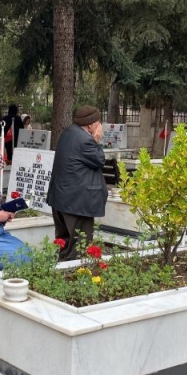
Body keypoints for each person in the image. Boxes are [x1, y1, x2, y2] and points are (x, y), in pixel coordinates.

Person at [46, 105, 107, 261]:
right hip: (77, 203)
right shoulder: (85, 140)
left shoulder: (68, 132)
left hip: (62, 199)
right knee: (79, 247)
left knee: (64, 243)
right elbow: (99, 159)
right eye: (98, 122)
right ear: (90, 125)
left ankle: (60, 271)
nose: (100, 126)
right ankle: (74, 274)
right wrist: (96, 140)